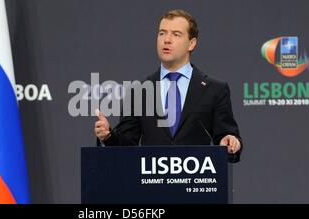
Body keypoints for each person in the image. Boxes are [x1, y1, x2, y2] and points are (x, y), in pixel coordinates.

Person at [94, 9, 242, 162]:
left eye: (176, 34)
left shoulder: (214, 89)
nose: (167, 40)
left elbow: (227, 137)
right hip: (151, 183)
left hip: (196, 182)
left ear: (191, 43)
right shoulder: (139, 90)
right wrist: (109, 135)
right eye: (162, 33)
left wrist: (230, 143)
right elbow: (126, 146)